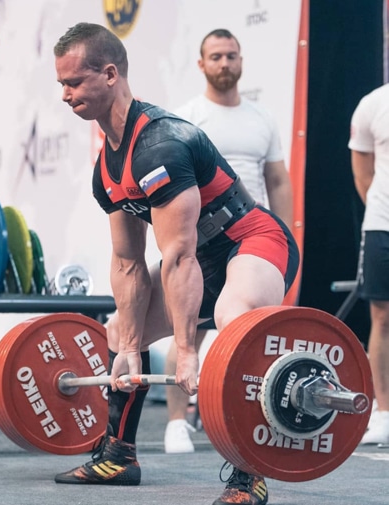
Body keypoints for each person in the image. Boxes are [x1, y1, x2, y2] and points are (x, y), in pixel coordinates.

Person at [53, 22, 299, 505]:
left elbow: (178, 254)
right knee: (117, 332)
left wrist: (188, 352)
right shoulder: (107, 168)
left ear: (109, 74)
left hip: (252, 241)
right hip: (202, 260)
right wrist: (127, 342)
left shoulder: (160, 144)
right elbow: (127, 261)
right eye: (60, 84)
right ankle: (119, 454)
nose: (65, 95)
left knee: (233, 319)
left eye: (73, 82)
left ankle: (249, 476)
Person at [164, 28, 293, 454]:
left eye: (231, 56)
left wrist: (290, 235)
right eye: (216, 57)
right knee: (187, 332)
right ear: (201, 64)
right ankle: (176, 423)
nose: (225, 64)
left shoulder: (262, 118)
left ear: (241, 61)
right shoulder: (187, 118)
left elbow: (277, 179)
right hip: (200, 238)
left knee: (244, 320)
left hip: (253, 233)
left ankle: (256, 415)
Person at [348, 83, 389, 445]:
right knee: (382, 317)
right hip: (382, 225)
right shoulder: (373, 103)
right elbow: (363, 174)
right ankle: (384, 412)